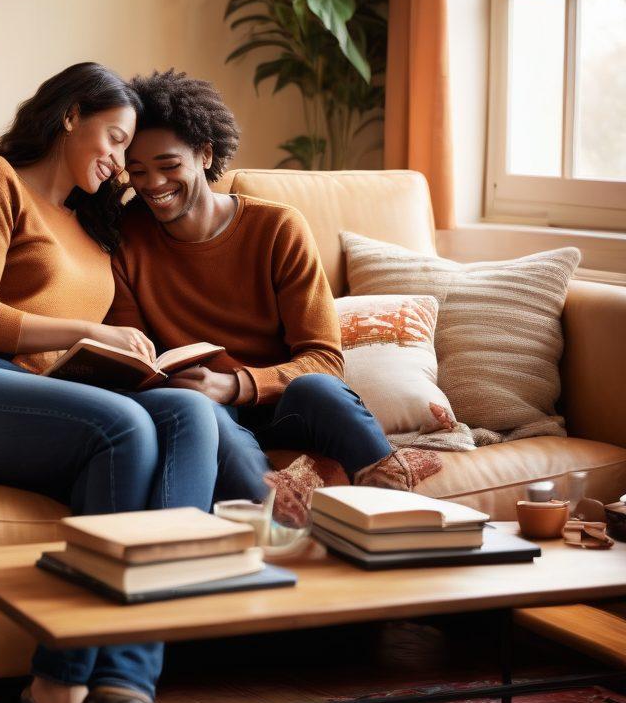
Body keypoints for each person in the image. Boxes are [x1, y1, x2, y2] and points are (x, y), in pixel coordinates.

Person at [0, 62, 219, 703]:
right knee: (123, 427)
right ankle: (57, 690)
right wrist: (89, 330)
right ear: (71, 115)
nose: (120, 162)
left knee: (189, 414)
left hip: (48, 393)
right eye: (114, 139)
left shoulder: (96, 228)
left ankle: (124, 688)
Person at [109, 69, 443, 527]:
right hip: (203, 410)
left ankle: (396, 510)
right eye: (138, 171)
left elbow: (325, 360)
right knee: (207, 416)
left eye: (168, 166)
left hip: (283, 404)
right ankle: (277, 518)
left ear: (206, 154)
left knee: (319, 389)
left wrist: (236, 385)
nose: (153, 184)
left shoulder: (277, 228)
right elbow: (135, 357)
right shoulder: (126, 237)